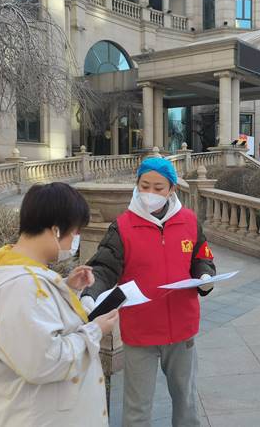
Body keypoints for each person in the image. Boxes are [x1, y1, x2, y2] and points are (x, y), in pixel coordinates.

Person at [0, 183, 118, 427]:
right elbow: (44, 361)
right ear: (56, 230)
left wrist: (68, 288)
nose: (76, 240)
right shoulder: (19, 287)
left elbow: (37, 322)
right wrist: (95, 331)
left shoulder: (24, 275)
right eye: (75, 232)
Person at [81, 157, 216, 427]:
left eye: (158, 188)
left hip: (182, 329)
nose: (150, 193)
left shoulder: (189, 221)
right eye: (145, 186)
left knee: (186, 402)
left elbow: (202, 256)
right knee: (137, 409)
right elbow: (103, 268)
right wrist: (89, 294)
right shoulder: (123, 226)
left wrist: (205, 275)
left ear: (172, 189)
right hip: (140, 331)